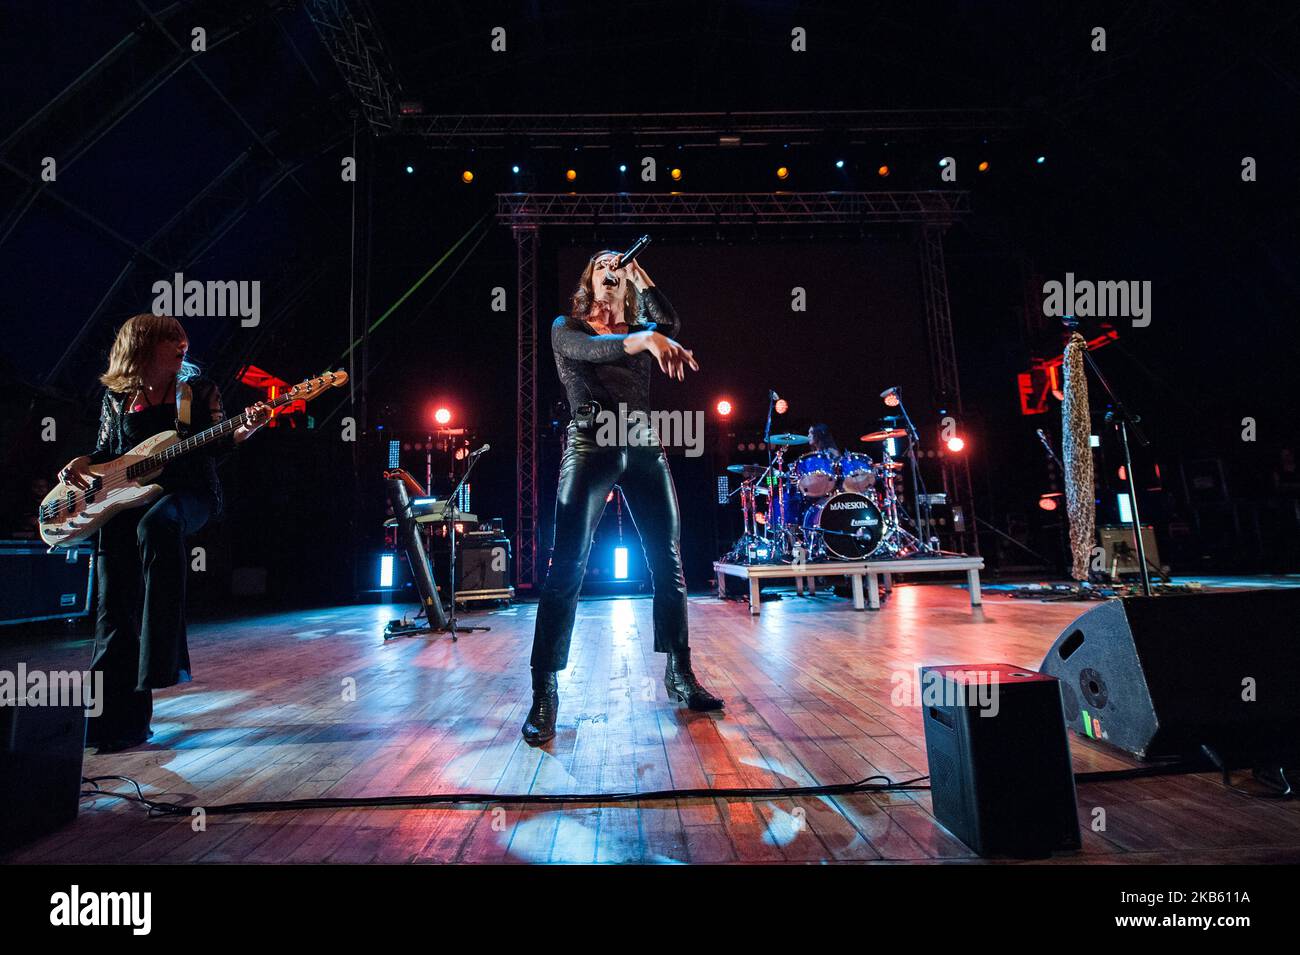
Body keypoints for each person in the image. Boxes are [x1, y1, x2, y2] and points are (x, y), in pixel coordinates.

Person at [523, 251, 723, 745]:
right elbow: (602, 351)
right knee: (566, 566)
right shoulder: (566, 328)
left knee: (668, 561)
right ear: (589, 282)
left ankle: (680, 674)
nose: (610, 273)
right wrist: (646, 338)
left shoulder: (640, 322)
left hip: (642, 442)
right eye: (600, 268)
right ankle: (544, 691)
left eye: (618, 268)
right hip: (591, 444)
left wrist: (641, 276)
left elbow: (668, 320)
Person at [58, 313, 270, 752]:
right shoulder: (118, 397)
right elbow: (108, 452)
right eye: (171, 337)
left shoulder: (198, 392)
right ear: (142, 346)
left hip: (187, 495)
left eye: (182, 336)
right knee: (112, 611)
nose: (183, 342)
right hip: (124, 503)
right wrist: (81, 461)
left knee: (159, 523)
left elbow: (218, 445)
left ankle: (164, 658)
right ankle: (113, 726)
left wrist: (243, 429)